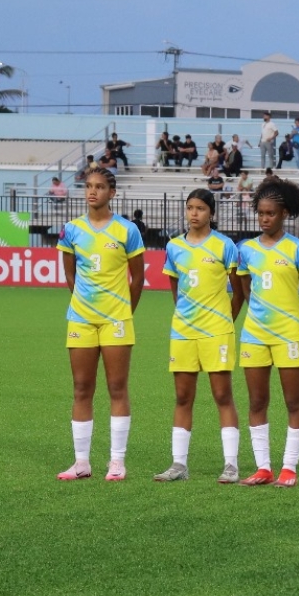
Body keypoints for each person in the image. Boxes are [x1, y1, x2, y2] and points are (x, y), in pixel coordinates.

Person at [56, 169, 145, 481]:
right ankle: (81, 462)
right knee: (81, 388)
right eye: (88, 186)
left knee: (117, 387)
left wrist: (123, 312)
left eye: (100, 187)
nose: (92, 192)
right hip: (81, 319)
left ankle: (117, 462)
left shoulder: (127, 230)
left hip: (116, 321)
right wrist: (83, 302)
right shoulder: (71, 230)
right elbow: (70, 274)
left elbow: (139, 279)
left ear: (112, 192)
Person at [153, 189, 244, 484]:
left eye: (201, 208)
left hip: (216, 331)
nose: (194, 213)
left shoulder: (224, 245)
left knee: (222, 395)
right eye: (190, 208)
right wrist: (186, 317)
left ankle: (231, 465)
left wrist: (223, 320)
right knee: (182, 396)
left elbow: (239, 292)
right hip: (183, 332)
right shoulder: (174, 247)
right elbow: (175, 289)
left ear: (211, 213)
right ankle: (179, 465)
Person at [235, 178, 299, 487]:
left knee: (293, 402)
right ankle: (263, 468)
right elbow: (245, 291)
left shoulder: (297, 248)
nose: (265, 218)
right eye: (261, 213)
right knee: (257, 402)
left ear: (284, 214)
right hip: (254, 336)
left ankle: (289, 468)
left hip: (289, 336)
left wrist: (296, 326)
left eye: (271, 213)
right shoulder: (247, 250)